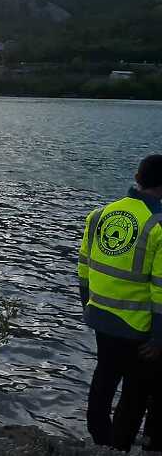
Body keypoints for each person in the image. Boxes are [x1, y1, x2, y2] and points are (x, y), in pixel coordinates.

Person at [78, 154, 162, 452]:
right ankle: (121, 445)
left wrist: (88, 306)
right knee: (136, 391)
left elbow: (84, 269)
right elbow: (160, 289)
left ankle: (100, 438)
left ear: (137, 178)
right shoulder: (157, 226)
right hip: (138, 328)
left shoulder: (99, 214)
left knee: (104, 376)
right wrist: (159, 336)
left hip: (100, 316)